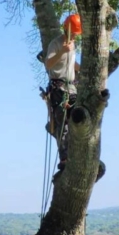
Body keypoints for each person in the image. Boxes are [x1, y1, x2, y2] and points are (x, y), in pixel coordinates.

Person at [45, 14, 82, 177]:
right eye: (73, 32)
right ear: (66, 29)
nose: (74, 36)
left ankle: (77, 153)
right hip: (58, 88)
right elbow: (49, 64)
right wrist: (62, 51)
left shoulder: (73, 44)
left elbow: (71, 63)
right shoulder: (56, 43)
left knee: (78, 120)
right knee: (62, 125)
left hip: (72, 87)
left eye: (76, 33)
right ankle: (65, 157)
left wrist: (83, 69)